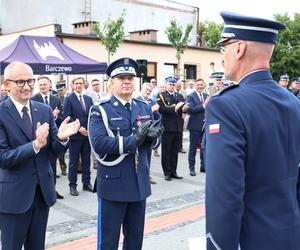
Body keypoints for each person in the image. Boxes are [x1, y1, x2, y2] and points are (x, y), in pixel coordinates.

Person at [205, 12, 300, 250]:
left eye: (223, 47)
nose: (223, 56)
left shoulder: (225, 105)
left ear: (239, 49)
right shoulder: (292, 102)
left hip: (252, 240)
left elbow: (225, 195)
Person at [0, 61, 80, 250]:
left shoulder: (43, 110)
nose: (27, 86)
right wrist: (34, 146)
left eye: (30, 81)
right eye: (20, 82)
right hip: (13, 197)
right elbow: (3, 158)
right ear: (6, 84)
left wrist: (61, 138)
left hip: (41, 194)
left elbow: (54, 149)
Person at [88, 57, 162, 250]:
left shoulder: (144, 106)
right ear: (111, 82)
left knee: (135, 241)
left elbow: (154, 140)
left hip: (139, 184)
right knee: (108, 241)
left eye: (130, 77)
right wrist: (134, 140)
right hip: (114, 184)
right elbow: (99, 144)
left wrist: (153, 139)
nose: (127, 81)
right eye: (121, 77)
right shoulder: (100, 110)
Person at [31, 76, 64, 199]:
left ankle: (52, 190)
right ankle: (40, 191)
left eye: (44, 84)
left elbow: (62, 116)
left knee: (53, 166)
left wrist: (54, 116)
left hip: (54, 137)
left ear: (49, 85)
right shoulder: (34, 99)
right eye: (40, 85)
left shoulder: (56, 99)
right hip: (39, 138)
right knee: (43, 166)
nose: (42, 87)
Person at [64, 77, 94, 196]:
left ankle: (86, 183)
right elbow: (67, 116)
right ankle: (72, 185)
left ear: (84, 85)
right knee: (73, 162)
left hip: (87, 135)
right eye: (76, 83)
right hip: (75, 135)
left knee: (86, 160)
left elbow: (92, 116)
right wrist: (78, 128)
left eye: (80, 83)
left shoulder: (88, 99)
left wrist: (88, 130)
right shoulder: (68, 99)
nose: (78, 85)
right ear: (72, 85)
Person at [157, 77, 186, 181]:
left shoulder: (179, 95)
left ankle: (174, 171)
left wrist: (184, 108)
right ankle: (167, 173)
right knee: (166, 151)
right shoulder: (161, 95)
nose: (172, 86)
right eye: (170, 84)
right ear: (166, 85)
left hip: (178, 127)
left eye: (173, 84)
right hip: (168, 127)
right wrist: (176, 107)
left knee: (174, 152)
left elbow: (182, 108)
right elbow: (162, 110)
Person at [137, 82, 161, 184]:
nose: (148, 92)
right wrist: (151, 110)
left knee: (148, 155)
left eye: (150, 91)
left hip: (150, 133)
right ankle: (140, 177)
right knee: (140, 157)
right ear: (141, 89)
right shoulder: (136, 101)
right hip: (140, 133)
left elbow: (158, 117)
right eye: (146, 90)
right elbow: (138, 116)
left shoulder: (151, 101)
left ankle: (147, 175)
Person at [186, 79, 209, 176]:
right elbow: (191, 110)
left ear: (204, 86)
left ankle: (203, 166)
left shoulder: (206, 96)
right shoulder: (190, 96)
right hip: (195, 126)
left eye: (201, 85)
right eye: (198, 85)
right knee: (193, 148)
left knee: (204, 147)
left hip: (205, 126)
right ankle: (192, 168)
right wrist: (204, 105)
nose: (200, 86)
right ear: (195, 85)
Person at [56, 80, 68, 175]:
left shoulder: (69, 97)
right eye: (59, 90)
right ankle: (63, 167)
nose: (60, 92)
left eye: (62, 90)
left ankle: (79, 166)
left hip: (70, 125)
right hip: (59, 126)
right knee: (61, 150)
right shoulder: (56, 99)